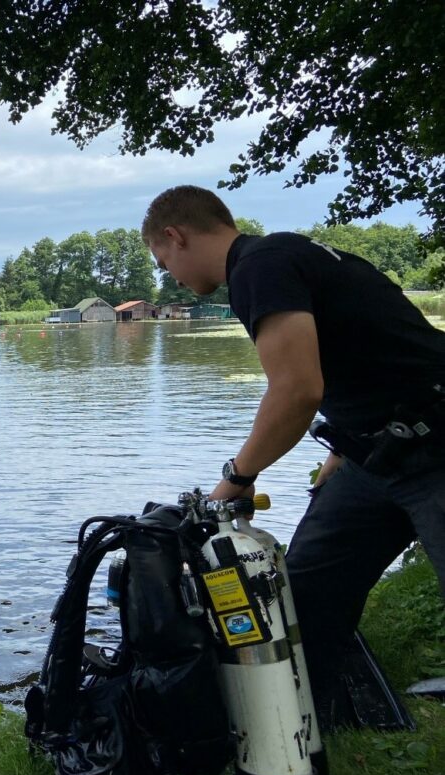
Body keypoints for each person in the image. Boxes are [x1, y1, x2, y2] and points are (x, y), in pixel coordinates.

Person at [141, 185, 445, 728]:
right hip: (378, 453)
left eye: (166, 263)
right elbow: (361, 353)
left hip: (437, 442)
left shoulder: (261, 267)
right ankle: (308, 724)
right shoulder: (279, 260)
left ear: (176, 235)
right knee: (310, 588)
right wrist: (345, 445)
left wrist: (237, 479)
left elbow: (296, 390)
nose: (171, 276)